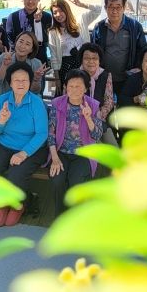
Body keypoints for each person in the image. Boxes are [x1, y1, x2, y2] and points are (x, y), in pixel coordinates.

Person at [0, 61, 48, 227]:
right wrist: (1, 120)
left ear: (30, 82)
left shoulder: (36, 103)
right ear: (10, 83)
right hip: (4, 143)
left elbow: (42, 133)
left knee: (16, 175)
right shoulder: (2, 100)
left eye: (25, 80)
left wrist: (23, 153)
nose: (21, 83)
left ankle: (19, 204)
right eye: (16, 80)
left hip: (31, 147)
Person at [48, 69, 105, 216]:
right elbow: (51, 133)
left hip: (83, 153)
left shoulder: (93, 105)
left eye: (78, 86)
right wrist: (54, 158)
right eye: (70, 86)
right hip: (61, 151)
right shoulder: (57, 103)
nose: (74, 90)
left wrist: (88, 118)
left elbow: (97, 135)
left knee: (76, 183)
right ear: (65, 87)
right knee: (57, 180)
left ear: (85, 89)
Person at [91, 0, 147, 96]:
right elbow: (93, 50)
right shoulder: (99, 27)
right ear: (105, 8)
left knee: (125, 104)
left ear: (124, 7)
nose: (114, 11)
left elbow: (143, 49)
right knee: (105, 105)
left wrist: (139, 68)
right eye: (110, 7)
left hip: (128, 77)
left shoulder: (135, 26)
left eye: (118, 7)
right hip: (104, 77)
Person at [49, 0, 101, 96]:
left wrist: (82, 4)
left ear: (67, 10)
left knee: (85, 94)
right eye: (55, 12)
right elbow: (54, 56)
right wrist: (57, 79)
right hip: (65, 67)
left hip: (84, 65)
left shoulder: (81, 20)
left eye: (61, 11)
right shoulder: (53, 32)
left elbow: (98, 9)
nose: (58, 15)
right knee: (67, 96)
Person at [5, 0, 52, 65]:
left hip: (40, 59)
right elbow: (10, 42)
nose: (31, 1)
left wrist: (38, 22)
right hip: (18, 60)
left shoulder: (47, 17)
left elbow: (48, 39)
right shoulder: (13, 17)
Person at [0, 31, 47, 95]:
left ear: (31, 49)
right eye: (21, 41)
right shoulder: (3, 57)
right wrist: (4, 65)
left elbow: (35, 91)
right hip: (6, 98)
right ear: (16, 43)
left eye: (27, 44)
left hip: (27, 99)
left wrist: (36, 80)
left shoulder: (36, 63)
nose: (22, 46)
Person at [78, 43, 114, 123]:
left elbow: (109, 102)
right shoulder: (74, 76)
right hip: (78, 118)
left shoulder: (106, 75)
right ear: (81, 60)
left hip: (99, 117)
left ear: (99, 61)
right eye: (87, 58)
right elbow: (68, 100)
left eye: (94, 58)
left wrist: (97, 117)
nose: (91, 61)